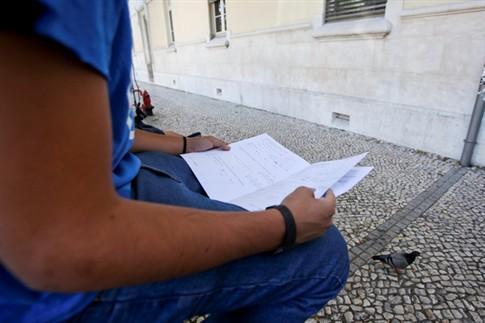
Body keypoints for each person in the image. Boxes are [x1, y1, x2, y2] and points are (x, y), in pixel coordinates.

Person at [0, 1, 349, 322]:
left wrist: (183, 143)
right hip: (56, 296)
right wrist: (284, 225)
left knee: (205, 163)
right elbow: (60, 246)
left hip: (120, 179)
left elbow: (101, 134)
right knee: (325, 254)